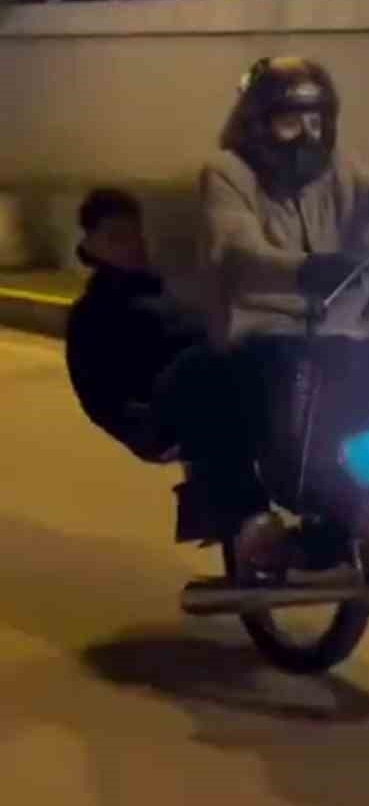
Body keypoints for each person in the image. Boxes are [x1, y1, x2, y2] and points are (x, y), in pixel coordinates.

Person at [199, 56, 369, 572]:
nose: (307, 135)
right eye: (290, 121)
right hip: (266, 329)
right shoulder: (228, 174)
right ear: (257, 122)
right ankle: (338, 517)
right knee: (319, 423)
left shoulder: (338, 171)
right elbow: (236, 247)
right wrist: (304, 270)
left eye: (316, 120)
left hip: (340, 327)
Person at [65, 188, 267, 543]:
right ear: (91, 245)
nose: (132, 245)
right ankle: (246, 519)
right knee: (201, 365)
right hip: (150, 417)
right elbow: (99, 394)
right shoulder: (92, 314)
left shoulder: (164, 289)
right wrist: (137, 418)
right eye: (116, 237)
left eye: (135, 233)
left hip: (201, 392)